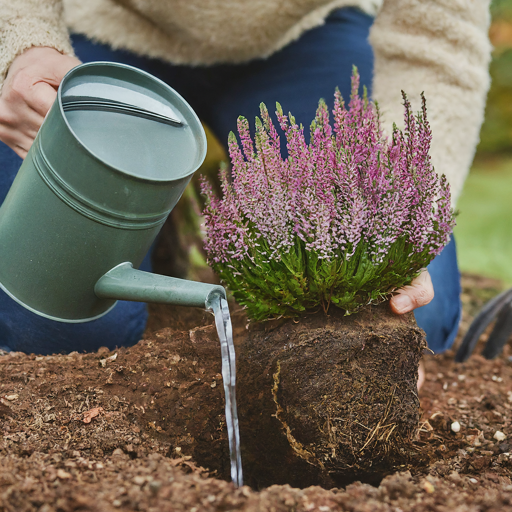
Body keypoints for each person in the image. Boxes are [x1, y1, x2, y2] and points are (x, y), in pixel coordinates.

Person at [0, 1, 492, 366]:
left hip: (305, 36)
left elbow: (439, 44)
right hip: (99, 31)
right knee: (53, 317)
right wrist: (24, 41)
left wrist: (401, 207)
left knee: (402, 316)